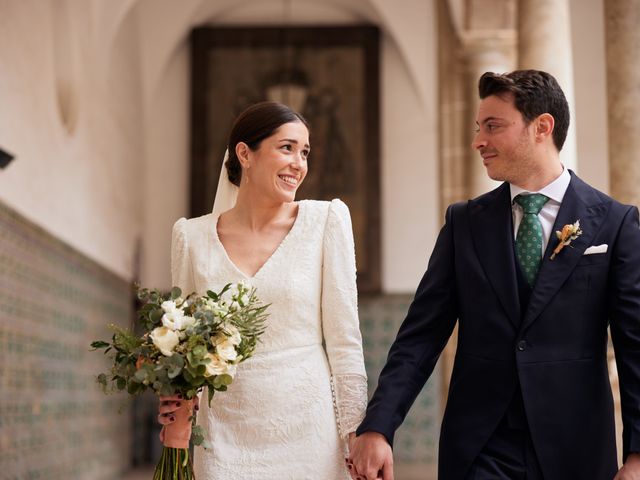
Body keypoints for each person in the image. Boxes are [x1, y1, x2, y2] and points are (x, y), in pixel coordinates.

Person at [349, 70, 640, 480]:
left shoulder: (614, 222)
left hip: (574, 447)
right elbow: (420, 336)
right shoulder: (464, 222)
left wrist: (638, 456)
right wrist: (378, 426)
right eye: (477, 128)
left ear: (542, 127)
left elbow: (635, 346)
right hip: (480, 447)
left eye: (493, 126)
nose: (478, 141)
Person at [158, 101, 368, 479]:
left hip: (308, 430)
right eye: (286, 148)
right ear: (245, 154)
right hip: (224, 431)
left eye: (304, 152)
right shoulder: (190, 236)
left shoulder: (326, 221)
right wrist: (176, 410)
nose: (299, 163)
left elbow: (344, 339)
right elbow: (183, 342)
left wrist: (357, 433)